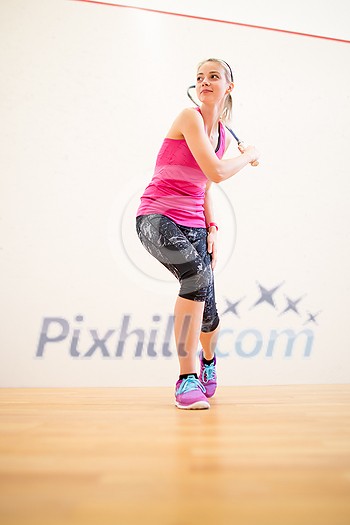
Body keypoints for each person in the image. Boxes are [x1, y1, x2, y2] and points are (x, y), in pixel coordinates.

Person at [136, 58, 260, 410]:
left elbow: (205, 184)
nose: (205, 81)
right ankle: (186, 378)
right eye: (200, 77)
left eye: (214, 76)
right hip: (155, 216)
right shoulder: (189, 118)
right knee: (194, 275)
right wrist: (250, 154)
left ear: (228, 87)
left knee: (209, 309)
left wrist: (212, 227)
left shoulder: (221, 136)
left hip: (195, 224)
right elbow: (219, 172)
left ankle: (208, 362)